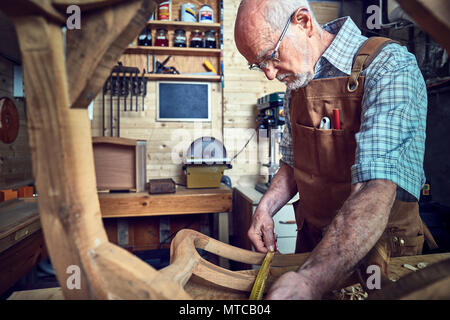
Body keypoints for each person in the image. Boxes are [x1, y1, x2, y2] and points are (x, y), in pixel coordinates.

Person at [234, 0, 430, 299]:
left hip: (379, 251)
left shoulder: (388, 65)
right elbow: (292, 162)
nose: (269, 74)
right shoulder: (298, 80)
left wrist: (310, 280)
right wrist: (266, 207)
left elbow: (374, 186)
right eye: (258, 64)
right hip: (314, 247)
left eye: (270, 57)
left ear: (303, 21)